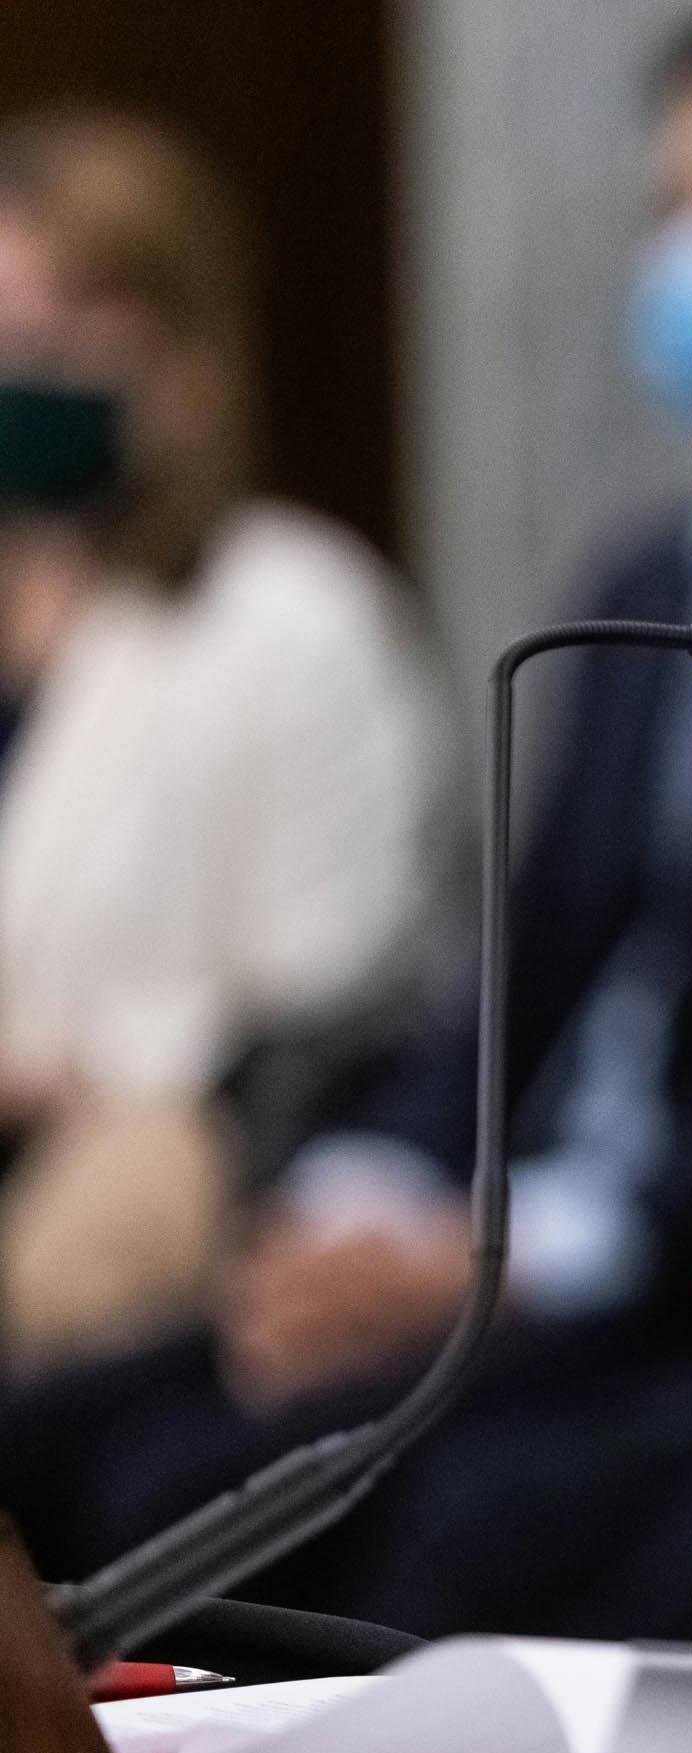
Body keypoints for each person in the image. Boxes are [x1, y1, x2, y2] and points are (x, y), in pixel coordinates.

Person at [0, 5, 692, 1648]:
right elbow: (518, 978)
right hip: (504, 1241)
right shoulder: (644, 583)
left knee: (362, 1516)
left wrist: (513, 1254)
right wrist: (369, 1188)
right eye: (686, 203)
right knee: (57, 1445)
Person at [0, 113, 446, 1371]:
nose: (15, 373)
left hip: (179, 1173)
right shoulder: (28, 613)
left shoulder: (293, 614)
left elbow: (337, 996)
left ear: (182, 356)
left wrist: (64, 1072)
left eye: (54, 336)